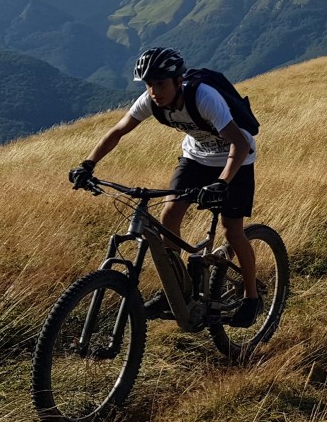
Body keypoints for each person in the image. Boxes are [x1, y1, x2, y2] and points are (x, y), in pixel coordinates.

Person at [69, 47, 260, 327]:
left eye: (160, 83)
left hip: (236, 160)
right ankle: (177, 291)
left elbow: (239, 143)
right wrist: (88, 164)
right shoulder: (150, 100)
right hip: (195, 157)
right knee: (169, 215)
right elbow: (118, 131)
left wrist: (222, 183)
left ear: (178, 80)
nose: (154, 91)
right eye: (149, 84)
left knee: (232, 231)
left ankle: (252, 298)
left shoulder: (204, 97)